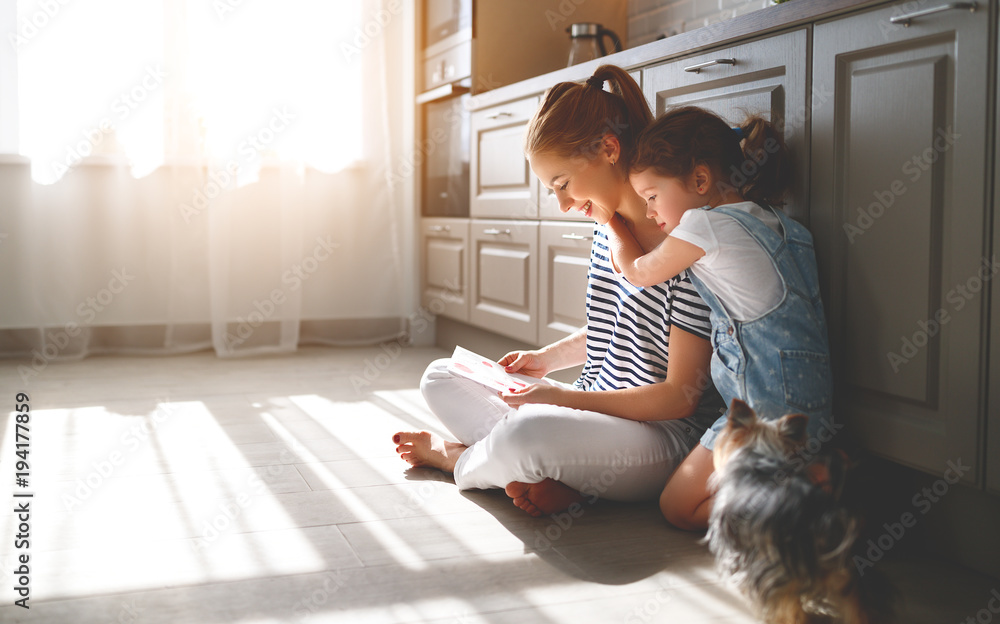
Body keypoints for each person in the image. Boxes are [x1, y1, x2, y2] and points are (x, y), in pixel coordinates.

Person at [392, 66, 725, 518]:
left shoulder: (683, 240)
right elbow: (615, 330)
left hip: (660, 434)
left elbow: (681, 396)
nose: (564, 204)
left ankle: (458, 459)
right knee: (441, 374)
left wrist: (561, 399)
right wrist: (546, 361)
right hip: (595, 410)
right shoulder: (608, 228)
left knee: (529, 433)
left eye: (563, 185)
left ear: (609, 148)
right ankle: (558, 475)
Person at [604, 105, 833, 530]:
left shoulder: (703, 226)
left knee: (678, 507)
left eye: (652, 196)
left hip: (761, 411)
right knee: (703, 496)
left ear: (701, 180)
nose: (650, 212)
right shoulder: (786, 226)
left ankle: (799, 498)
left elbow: (638, 274)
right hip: (814, 407)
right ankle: (800, 484)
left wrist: (612, 226)